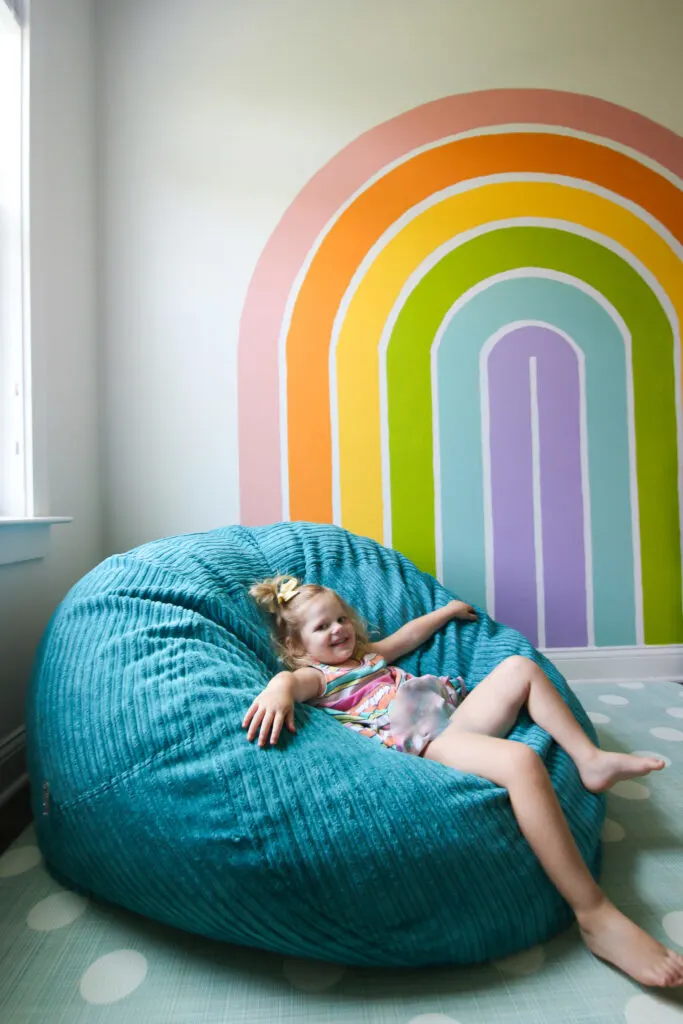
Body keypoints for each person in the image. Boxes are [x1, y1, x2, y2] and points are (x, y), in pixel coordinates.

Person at [244, 574, 683, 988]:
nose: (339, 630)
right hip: (424, 743)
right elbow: (290, 681)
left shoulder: (370, 654)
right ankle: (594, 912)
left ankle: (590, 760)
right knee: (521, 761)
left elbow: (409, 636)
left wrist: (446, 612)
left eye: (341, 619)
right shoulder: (319, 676)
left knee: (518, 666)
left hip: (449, 719)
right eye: (323, 627)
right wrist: (276, 690)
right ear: (297, 645)